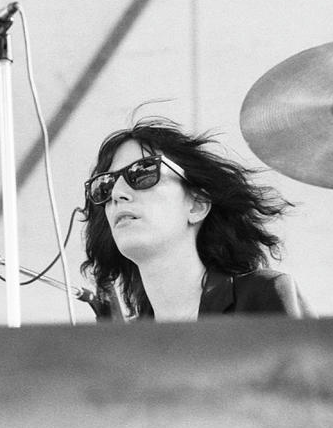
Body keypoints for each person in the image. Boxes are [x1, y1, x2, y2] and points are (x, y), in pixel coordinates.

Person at [81, 116, 313, 321]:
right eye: (105, 185)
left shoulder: (259, 297)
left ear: (197, 205)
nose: (116, 193)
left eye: (142, 172)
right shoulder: (129, 347)